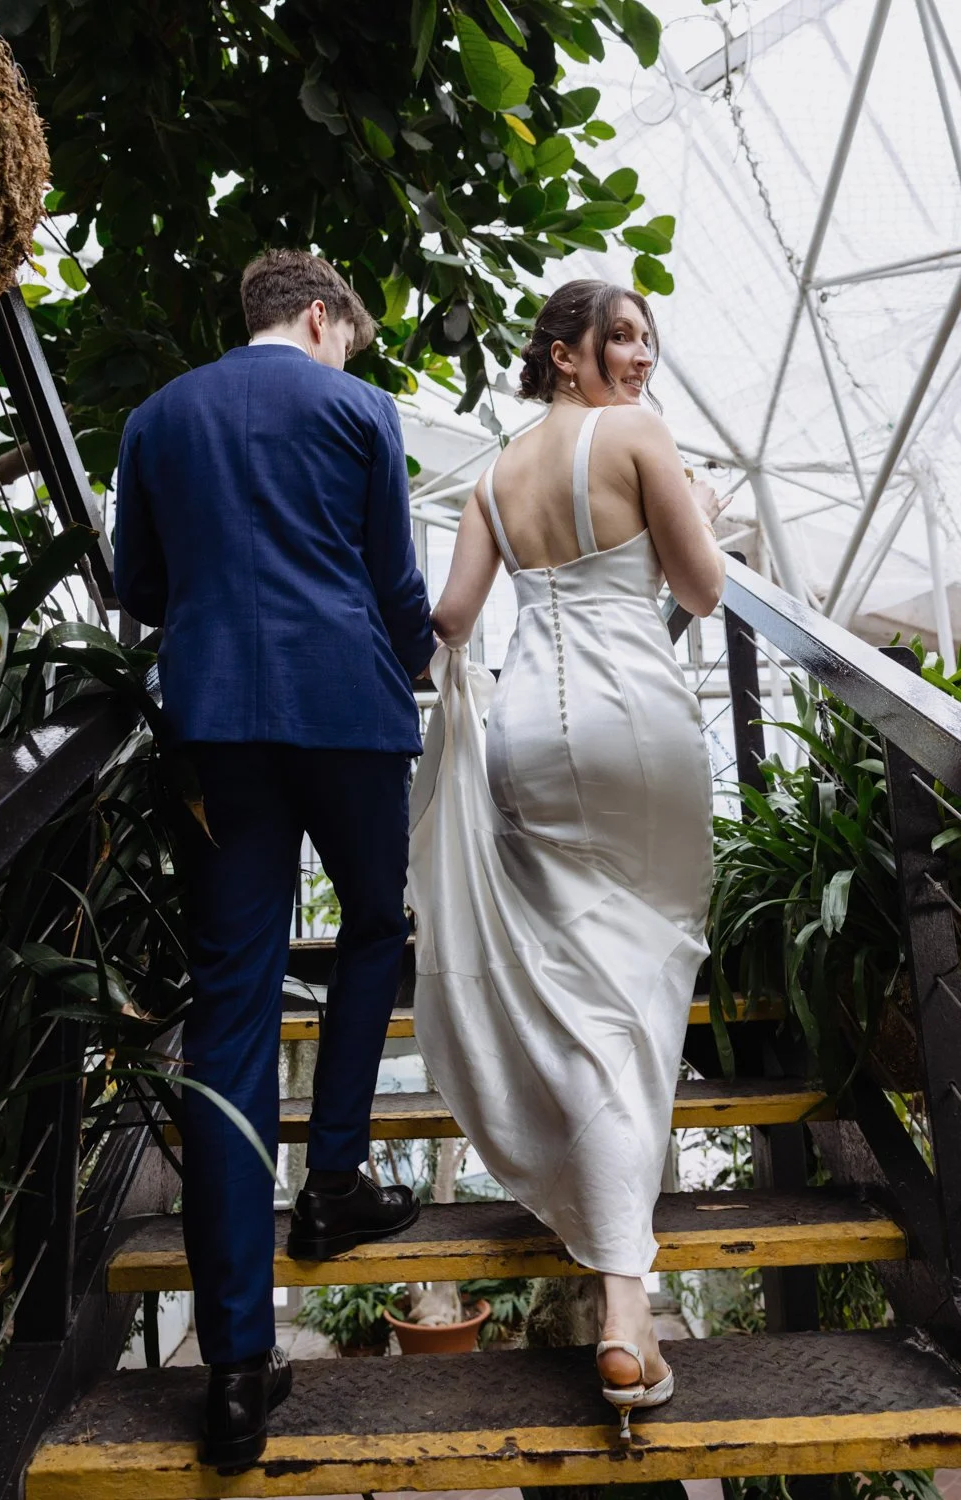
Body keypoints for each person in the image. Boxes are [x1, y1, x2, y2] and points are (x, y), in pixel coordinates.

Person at [114, 248, 435, 1471]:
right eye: (346, 332)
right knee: (372, 928)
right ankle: (337, 1175)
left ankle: (238, 1370)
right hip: (348, 712)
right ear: (318, 315)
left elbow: (136, 579)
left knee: (231, 1014)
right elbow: (395, 582)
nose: (347, 351)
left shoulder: (157, 419)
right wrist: (416, 659)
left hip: (214, 727)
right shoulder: (357, 409)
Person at [407, 279, 727, 1441]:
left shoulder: (491, 472)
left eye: (648, 337)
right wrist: (699, 506)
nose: (640, 357)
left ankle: (620, 1284)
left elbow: (450, 619)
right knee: (634, 994)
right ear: (566, 354)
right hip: (633, 726)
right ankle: (623, 1303)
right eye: (621, 338)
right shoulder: (638, 437)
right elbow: (698, 589)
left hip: (529, 742)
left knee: (589, 992)